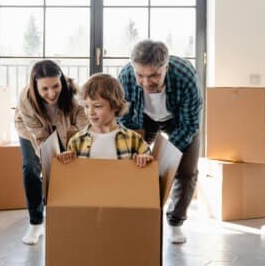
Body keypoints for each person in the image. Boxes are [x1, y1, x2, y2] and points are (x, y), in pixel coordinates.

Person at [118, 40, 203, 244]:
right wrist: (139, 150)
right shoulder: (126, 76)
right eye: (141, 75)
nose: (146, 83)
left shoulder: (185, 76)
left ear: (166, 67)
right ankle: (138, 216)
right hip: (143, 118)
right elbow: (125, 120)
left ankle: (175, 222)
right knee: (132, 164)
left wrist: (166, 157)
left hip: (178, 120)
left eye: (154, 75)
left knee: (186, 170)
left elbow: (190, 124)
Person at [14, 60, 88, 245]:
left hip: (66, 130)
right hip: (31, 132)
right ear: (35, 86)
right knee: (31, 167)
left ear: (62, 80)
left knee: (67, 167)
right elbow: (40, 137)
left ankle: (65, 214)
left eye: (56, 86)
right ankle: (36, 222)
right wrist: (49, 161)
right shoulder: (26, 99)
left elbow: (84, 129)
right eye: (45, 89)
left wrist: (73, 151)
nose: (52, 93)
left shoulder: (75, 96)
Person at [57, 73, 153, 167]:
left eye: (97, 106)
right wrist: (66, 158)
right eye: (86, 106)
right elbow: (71, 173)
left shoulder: (133, 139)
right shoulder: (76, 141)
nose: (90, 112)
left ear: (115, 106)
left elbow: (150, 162)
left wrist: (144, 158)